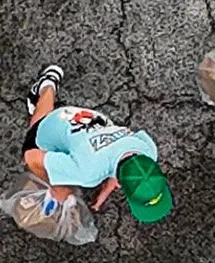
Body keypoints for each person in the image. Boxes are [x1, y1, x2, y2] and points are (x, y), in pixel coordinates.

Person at [20, 64, 173, 225]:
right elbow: (32, 157)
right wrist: (57, 188)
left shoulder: (149, 150)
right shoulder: (87, 174)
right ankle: (47, 84)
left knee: (73, 153)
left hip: (90, 121)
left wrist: (109, 185)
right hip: (53, 124)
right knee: (38, 128)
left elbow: (127, 155)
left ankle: (49, 86)